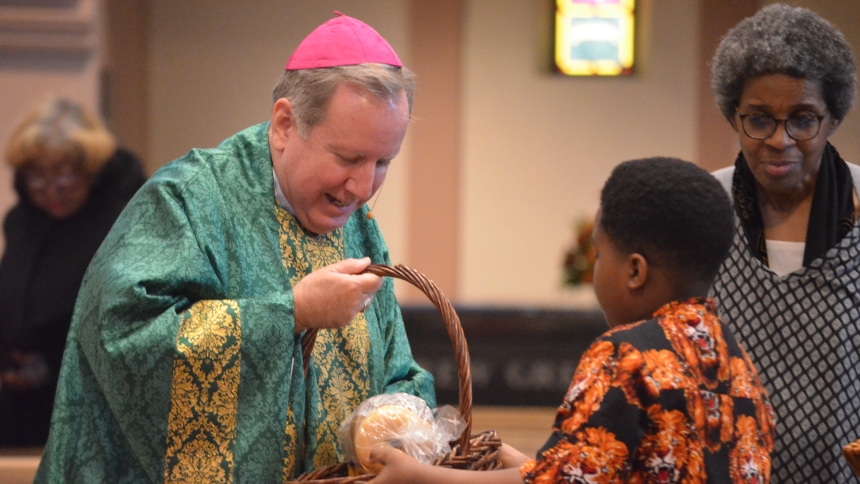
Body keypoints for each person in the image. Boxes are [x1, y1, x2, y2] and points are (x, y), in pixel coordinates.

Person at [34, 12, 434, 483]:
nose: (365, 187)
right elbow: (122, 339)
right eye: (348, 158)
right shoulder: (186, 199)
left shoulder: (359, 227)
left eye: (383, 162)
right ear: (285, 124)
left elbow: (398, 370)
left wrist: (395, 418)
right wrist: (292, 312)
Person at [368, 157, 775, 483]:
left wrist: (420, 476)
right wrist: (533, 466)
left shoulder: (625, 356)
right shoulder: (740, 368)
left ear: (635, 272)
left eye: (599, 254)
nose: (596, 268)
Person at [708, 4, 860, 482]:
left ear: (833, 116)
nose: (780, 140)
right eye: (759, 119)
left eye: (802, 119)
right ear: (733, 115)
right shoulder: (706, 207)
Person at [0, 97, 145, 447]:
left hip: (91, 409)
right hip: (21, 410)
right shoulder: (20, 222)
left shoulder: (123, 217)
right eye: (36, 176)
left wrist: (49, 362)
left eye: (62, 175)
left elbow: (126, 316)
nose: (50, 191)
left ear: (90, 169)